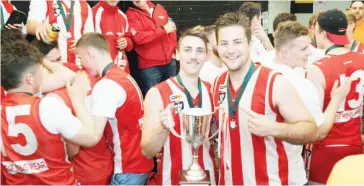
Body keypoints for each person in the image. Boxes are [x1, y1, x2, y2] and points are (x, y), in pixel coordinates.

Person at [212, 12, 317, 185]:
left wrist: (273, 128)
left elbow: (310, 130)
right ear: (217, 46)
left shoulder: (275, 82)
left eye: (237, 42)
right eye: (224, 43)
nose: (230, 50)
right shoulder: (218, 83)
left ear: (250, 43)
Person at [0, 41, 106, 185]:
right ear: (29, 78)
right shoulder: (47, 106)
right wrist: (77, 100)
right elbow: (91, 137)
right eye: (40, 69)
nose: (43, 72)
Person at [271, 21, 351, 185]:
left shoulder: (262, 68)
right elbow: (319, 132)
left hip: (260, 171)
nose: (309, 52)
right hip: (287, 173)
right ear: (285, 52)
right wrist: (337, 98)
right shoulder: (301, 85)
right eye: (303, 49)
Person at [30, 39, 114, 185]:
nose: (60, 65)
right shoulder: (81, 75)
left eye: (59, 59)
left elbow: (72, 150)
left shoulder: (54, 96)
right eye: (54, 61)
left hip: (83, 171)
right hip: (103, 163)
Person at [75, 32, 154, 185]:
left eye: (81, 57)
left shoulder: (107, 85)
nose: (81, 63)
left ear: (90, 54)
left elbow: (93, 135)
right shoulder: (122, 76)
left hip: (128, 167)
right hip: (138, 162)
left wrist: (76, 100)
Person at [142, 26, 217, 185]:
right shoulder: (157, 93)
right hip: (172, 179)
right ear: (176, 54)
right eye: (188, 50)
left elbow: (216, 137)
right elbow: (147, 151)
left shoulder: (213, 90)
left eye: (199, 51)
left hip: (208, 179)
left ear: (206, 56)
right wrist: (162, 127)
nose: (194, 56)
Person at [305, 9, 364, 184]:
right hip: (354, 146)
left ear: (322, 33)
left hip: (325, 150)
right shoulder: (362, 59)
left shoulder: (317, 68)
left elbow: (316, 123)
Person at [126, 0, 177, 95]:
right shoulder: (131, 14)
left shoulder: (159, 9)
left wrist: (174, 49)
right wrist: (163, 30)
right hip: (150, 68)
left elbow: (172, 28)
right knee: (154, 99)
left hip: (170, 63)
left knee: (172, 97)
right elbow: (139, 38)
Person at [26, 0, 94, 66]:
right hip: (53, 64)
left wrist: (84, 42)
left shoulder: (84, 5)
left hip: (78, 65)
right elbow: (30, 25)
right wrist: (40, 27)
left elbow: (91, 38)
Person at [92, 0, 133, 73]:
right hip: (103, 70)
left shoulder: (123, 16)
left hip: (122, 69)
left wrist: (126, 42)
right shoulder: (94, 13)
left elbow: (130, 44)